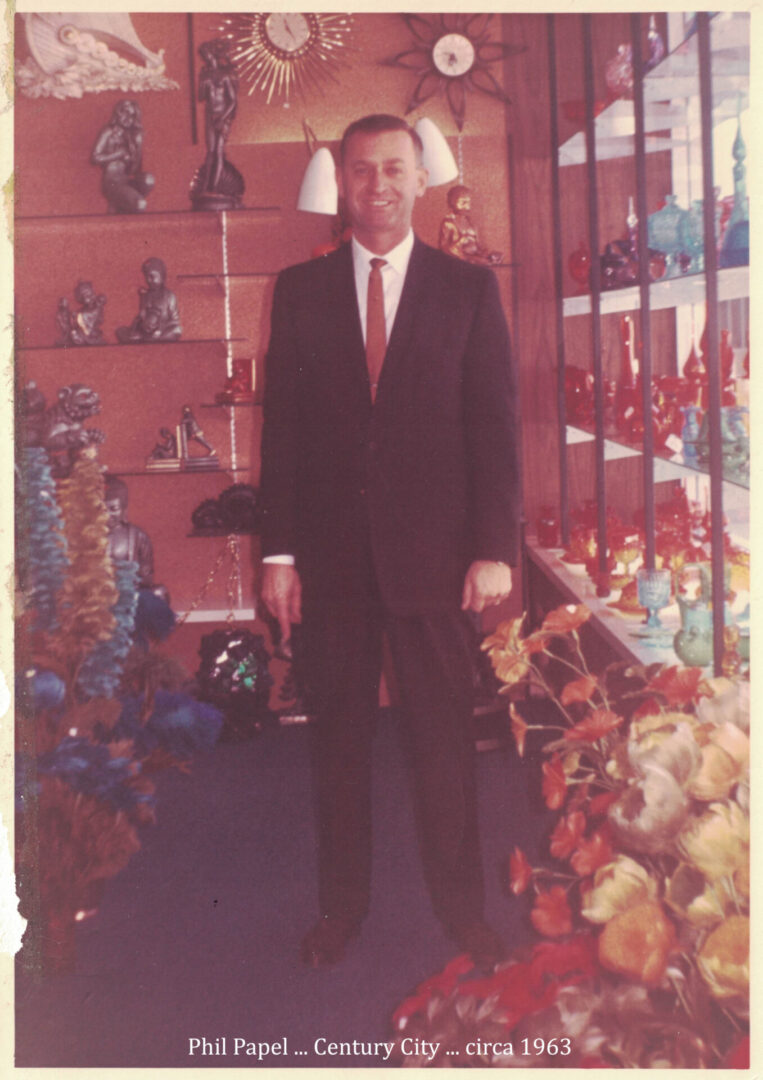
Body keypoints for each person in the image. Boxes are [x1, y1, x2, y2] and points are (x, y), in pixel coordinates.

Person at [259, 115, 520, 970]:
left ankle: (464, 916)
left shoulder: (467, 289)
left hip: (437, 563)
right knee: (336, 745)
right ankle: (341, 911)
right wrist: (279, 555)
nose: (377, 185)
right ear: (342, 183)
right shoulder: (298, 292)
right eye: (362, 170)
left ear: (420, 180)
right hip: (330, 564)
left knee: (444, 744)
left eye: (393, 169)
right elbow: (285, 433)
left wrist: (493, 547)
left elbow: (494, 425)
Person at [91, 98, 154, 214]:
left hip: (126, 179)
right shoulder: (108, 132)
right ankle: (130, 203)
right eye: (124, 113)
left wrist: (138, 146)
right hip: (112, 181)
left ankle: (125, 203)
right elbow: (95, 157)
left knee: (148, 179)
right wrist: (117, 154)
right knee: (139, 203)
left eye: (132, 115)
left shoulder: (131, 136)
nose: (128, 118)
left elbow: (135, 169)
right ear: (118, 113)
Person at [104, 474, 154, 587]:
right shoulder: (84, 536)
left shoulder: (138, 536)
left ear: (123, 509)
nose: (107, 515)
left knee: (159, 593)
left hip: (129, 592)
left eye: (113, 509)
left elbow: (147, 576)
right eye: (101, 509)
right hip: (95, 596)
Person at [439, 184, 503, 265]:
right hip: (459, 260)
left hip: (473, 257)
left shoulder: (470, 222)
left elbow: (478, 245)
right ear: (452, 202)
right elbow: (444, 248)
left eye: (469, 203)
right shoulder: (448, 223)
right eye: (463, 202)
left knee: (490, 260)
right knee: (482, 263)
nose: (467, 207)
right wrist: (463, 250)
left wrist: (487, 254)